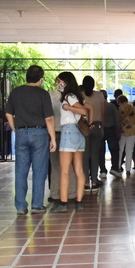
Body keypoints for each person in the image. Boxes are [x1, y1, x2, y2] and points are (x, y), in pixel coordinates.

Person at [5, 65, 57, 215]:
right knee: (39, 171)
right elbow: (49, 118)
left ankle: (20, 207)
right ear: (41, 79)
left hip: (21, 133)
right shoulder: (43, 94)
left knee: (20, 170)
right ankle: (37, 205)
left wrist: (16, 129)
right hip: (39, 134)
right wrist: (52, 138)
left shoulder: (16, 92)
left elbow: (8, 113)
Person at [54, 72, 89, 212]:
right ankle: (79, 201)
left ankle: (63, 203)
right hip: (79, 133)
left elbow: (83, 111)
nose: (57, 84)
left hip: (68, 132)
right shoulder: (78, 96)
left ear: (66, 82)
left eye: (59, 81)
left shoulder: (69, 97)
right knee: (79, 170)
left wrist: (67, 108)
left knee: (64, 171)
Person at [48, 77, 76, 205]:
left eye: (60, 81)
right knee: (68, 165)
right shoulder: (75, 96)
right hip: (66, 133)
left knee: (56, 165)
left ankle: (56, 193)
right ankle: (69, 193)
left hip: (58, 132)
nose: (59, 84)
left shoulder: (52, 95)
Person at [82, 75, 104, 191]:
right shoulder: (99, 95)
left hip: (83, 127)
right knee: (95, 155)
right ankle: (94, 182)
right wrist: (102, 127)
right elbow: (102, 112)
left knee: (85, 156)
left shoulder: (80, 95)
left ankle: (85, 183)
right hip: (96, 125)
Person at [117, 94, 135, 176]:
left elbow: (118, 120)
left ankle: (118, 167)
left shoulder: (119, 109)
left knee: (120, 150)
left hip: (122, 131)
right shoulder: (133, 108)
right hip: (132, 131)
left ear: (119, 101)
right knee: (129, 150)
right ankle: (128, 170)